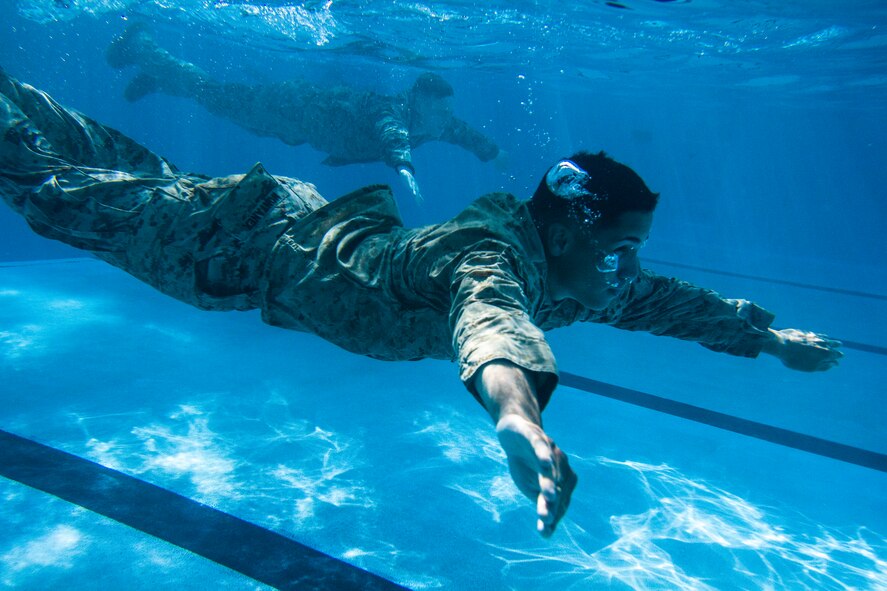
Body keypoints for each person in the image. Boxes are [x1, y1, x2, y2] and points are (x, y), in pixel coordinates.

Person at [0, 70, 842, 538]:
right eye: (618, 246)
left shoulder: (572, 271)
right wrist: (517, 417)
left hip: (277, 220)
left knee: (109, 169)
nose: (628, 266)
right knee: (47, 186)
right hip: (227, 250)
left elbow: (660, 302)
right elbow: (490, 318)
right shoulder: (493, 257)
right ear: (567, 231)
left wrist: (766, 337)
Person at [105, 25, 508, 204]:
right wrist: (403, 166)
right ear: (419, 100)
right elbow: (391, 133)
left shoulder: (436, 121)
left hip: (302, 127)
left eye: (447, 112)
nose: (445, 120)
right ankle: (144, 47)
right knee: (217, 97)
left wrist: (492, 153)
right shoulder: (395, 110)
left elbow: (462, 132)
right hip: (293, 108)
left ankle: (159, 76)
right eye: (440, 111)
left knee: (218, 101)